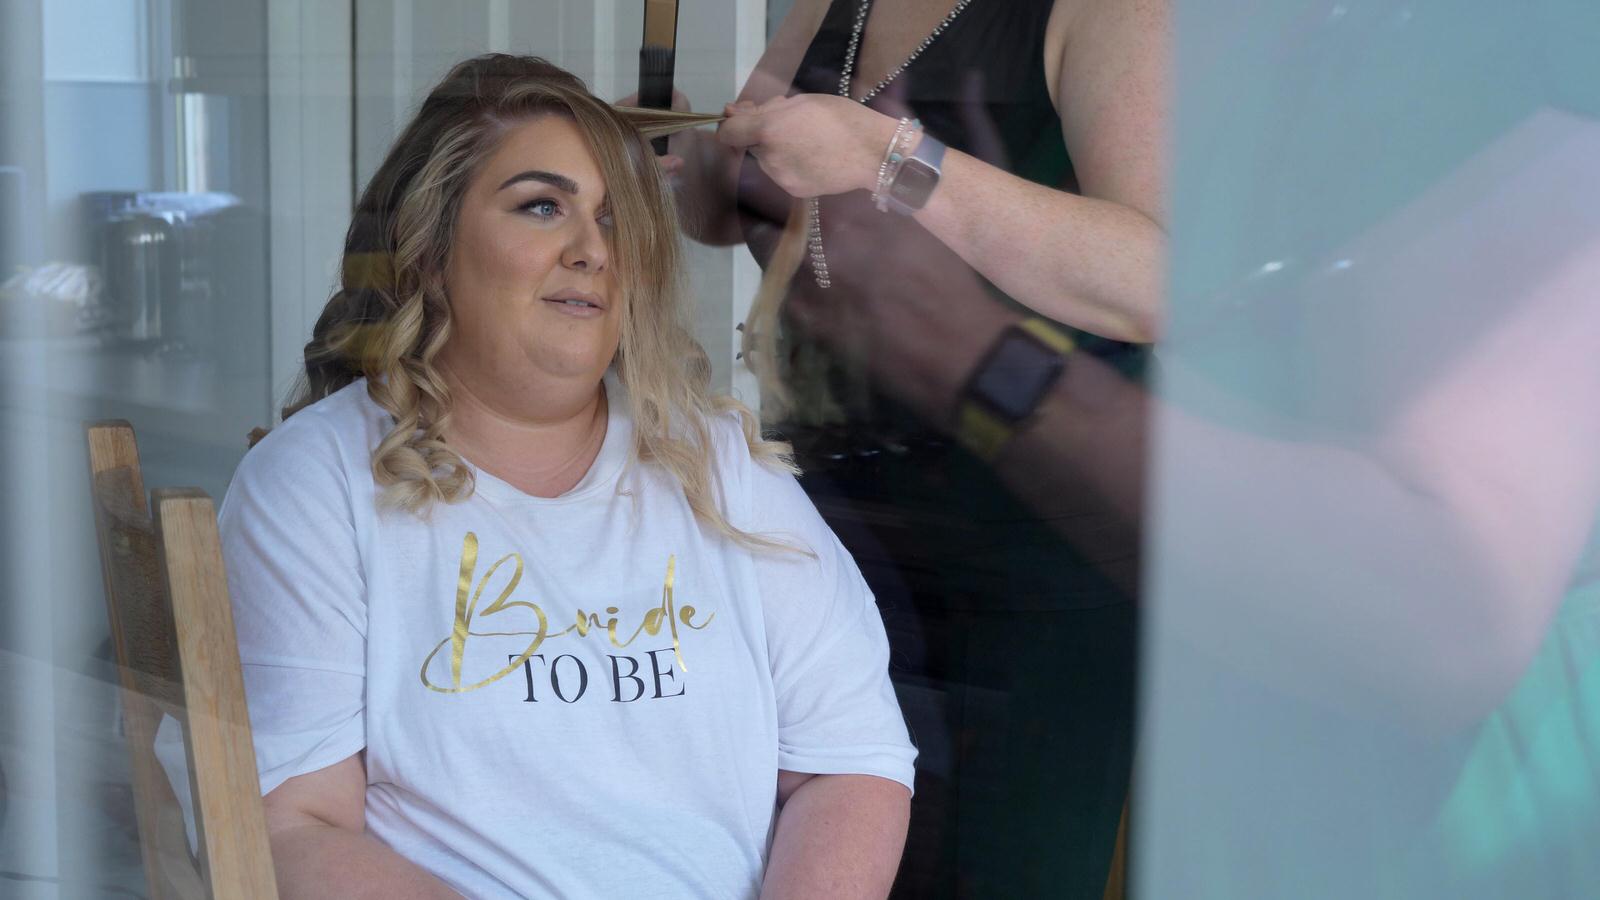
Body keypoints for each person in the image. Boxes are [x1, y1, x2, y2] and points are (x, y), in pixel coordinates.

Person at [223, 54, 916, 899]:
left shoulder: (719, 465)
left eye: (617, 218)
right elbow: (296, 828)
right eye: (542, 206)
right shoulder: (316, 485)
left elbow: (849, 764)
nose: (592, 249)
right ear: (432, 248)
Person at [657, 1, 1167, 895]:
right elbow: (753, 198)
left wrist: (888, 160)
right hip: (819, 533)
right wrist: (687, 172)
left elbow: (1155, 280)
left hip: (1029, 554)